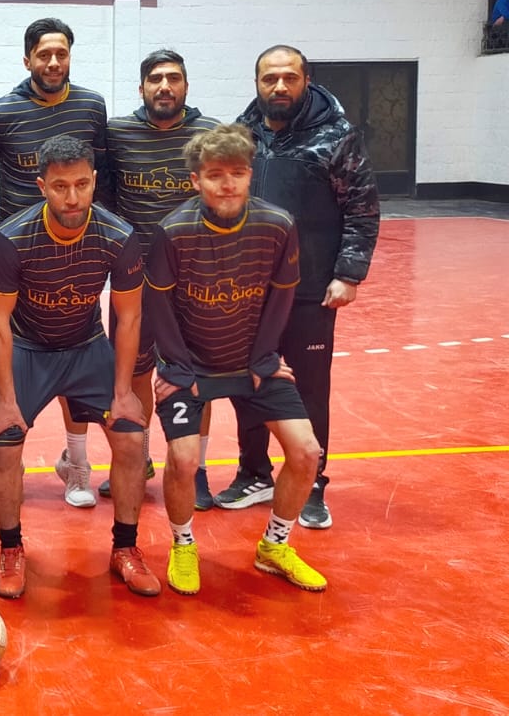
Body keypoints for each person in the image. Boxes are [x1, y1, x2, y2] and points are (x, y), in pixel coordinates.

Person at [145, 125, 326, 594]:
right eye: (215, 175)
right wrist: (177, 367)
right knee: (184, 459)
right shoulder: (173, 231)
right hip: (192, 366)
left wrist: (264, 358)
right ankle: (183, 545)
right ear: (195, 180)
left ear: (251, 174)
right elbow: (158, 306)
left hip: (252, 364)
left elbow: (281, 297)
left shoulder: (278, 225)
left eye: (238, 173)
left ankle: (275, 547)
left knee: (306, 452)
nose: (228, 184)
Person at [0, 135, 159, 600]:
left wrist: (123, 391)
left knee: (131, 438)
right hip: (26, 347)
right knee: (5, 444)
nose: (73, 197)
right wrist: (5, 399)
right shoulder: (12, 238)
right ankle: (10, 549)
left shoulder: (118, 235)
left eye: (82, 184)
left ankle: (125, 548)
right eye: (60, 186)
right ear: (42, 186)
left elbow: (129, 317)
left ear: (95, 181)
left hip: (86, 346)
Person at [214, 46, 380, 531]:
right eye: (270, 78)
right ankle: (254, 473)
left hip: (309, 288)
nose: (280, 86)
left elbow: (362, 209)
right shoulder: (242, 135)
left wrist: (348, 273)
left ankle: (312, 482)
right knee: (247, 382)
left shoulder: (337, 136)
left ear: (306, 80)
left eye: (289, 77)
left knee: (308, 389)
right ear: (257, 82)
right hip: (248, 288)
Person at [0, 17, 109, 509]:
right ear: (27, 59)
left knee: (76, 341)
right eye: (43, 54)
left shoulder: (91, 105)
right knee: (14, 345)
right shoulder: (2, 111)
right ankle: (6, 443)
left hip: (76, 245)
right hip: (20, 253)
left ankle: (77, 462)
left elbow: (101, 172)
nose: (53, 62)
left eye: (61, 53)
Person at [86, 51, 220, 509]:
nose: (165, 86)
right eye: (156, 79)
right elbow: (105, 195)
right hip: (135, 280)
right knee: (134, 370)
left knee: (196, 375)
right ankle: (137, 460)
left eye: (174, 78)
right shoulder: (118, 133)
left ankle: (194, 469)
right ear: (141, 88)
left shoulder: (209, 135)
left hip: (195, 281)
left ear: (186, 86)